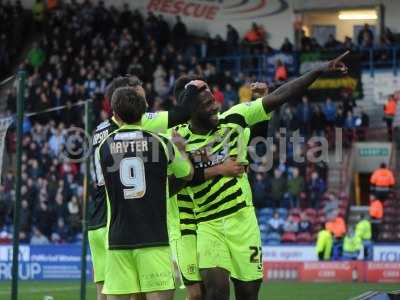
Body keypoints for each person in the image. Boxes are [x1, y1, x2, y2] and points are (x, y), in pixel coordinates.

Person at [173, 52, 349, 300]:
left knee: (248, 295)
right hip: (207, 223)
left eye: (213, 100)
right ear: (191, 111)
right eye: (206, 105)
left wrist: (320, 69)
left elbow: (280, 96)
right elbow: (174, 182)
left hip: (243, 221)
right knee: (215, 293)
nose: (214, 106)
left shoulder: (234, 119)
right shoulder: (176, 137)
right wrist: (214, 168)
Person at [88, 75, 204, 300]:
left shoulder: (101, 135)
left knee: (106, 292)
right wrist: (191, 88)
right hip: (142, 226)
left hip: (103, 223)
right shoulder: (148, 130)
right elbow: (181, 115)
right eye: (141, 98)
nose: (147, 104)